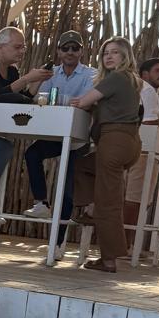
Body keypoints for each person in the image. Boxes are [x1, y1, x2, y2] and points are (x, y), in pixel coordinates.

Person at [70, 36, 143, 272]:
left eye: (115, 52)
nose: (108, 57)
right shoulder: (131, 80)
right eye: (105, 53)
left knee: (108, 202)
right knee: (83, 166)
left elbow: (83, 102)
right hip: (129, 142)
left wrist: (75, 102)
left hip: (114, 141)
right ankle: (90, 208)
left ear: (125, 56)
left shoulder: (117, 77)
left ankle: (109, 259)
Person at [0, 27, 51, 217]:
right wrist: (26, 78)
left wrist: (36, 82)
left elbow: (20, 100)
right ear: (1, 46)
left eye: (23, 47)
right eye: (17, 47)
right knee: (3, 148)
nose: (22, 51)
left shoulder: (13, 71)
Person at [22, 31, 95, 223]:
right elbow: (39, 99)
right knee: (32, 154)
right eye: (65, 48)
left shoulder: (91, 74)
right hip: (55, 134)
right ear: (58, 51)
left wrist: (58, 101)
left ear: (81, 51)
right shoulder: (50, 73)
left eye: (75, 48)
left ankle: (58, 238)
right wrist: (71, 101)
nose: (70, 52)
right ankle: (41, 202)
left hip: (78, 137)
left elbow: (85, 102)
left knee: (68, 191)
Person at [123, 56, 159, 226]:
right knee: (135, 202)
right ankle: (126, 241)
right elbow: (148, 122)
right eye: (158, 71)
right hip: (143, 151)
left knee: (121, 199)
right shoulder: (147, 90)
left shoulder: (128, 86)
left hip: (123, 147)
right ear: (145, 73)